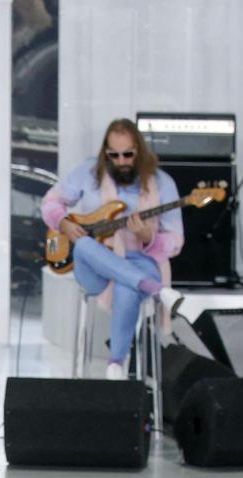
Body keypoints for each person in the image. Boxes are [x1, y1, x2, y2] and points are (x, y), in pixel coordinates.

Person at [40, 117, 181, 380]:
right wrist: (63, 222)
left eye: (128, 154)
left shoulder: (163, 183)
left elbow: (175, 240)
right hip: (95, 267)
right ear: (105, 153)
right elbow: (50, 202)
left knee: (127, 285)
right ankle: (157, 290)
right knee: (83, 244)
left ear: (140, 151)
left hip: (142, 260)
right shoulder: (88, 172)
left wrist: (147, 235)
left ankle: (115, 365)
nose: (121, 161)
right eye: (114, 155)